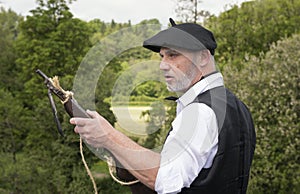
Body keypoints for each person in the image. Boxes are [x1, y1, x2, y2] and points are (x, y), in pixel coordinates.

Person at [70, 18, 256, 194]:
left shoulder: (200, 112)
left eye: (173, 55)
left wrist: (108, 137)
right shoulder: (237, 105)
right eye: (162, 56)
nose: (162, 65)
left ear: (203, 57)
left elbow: (166, 178)